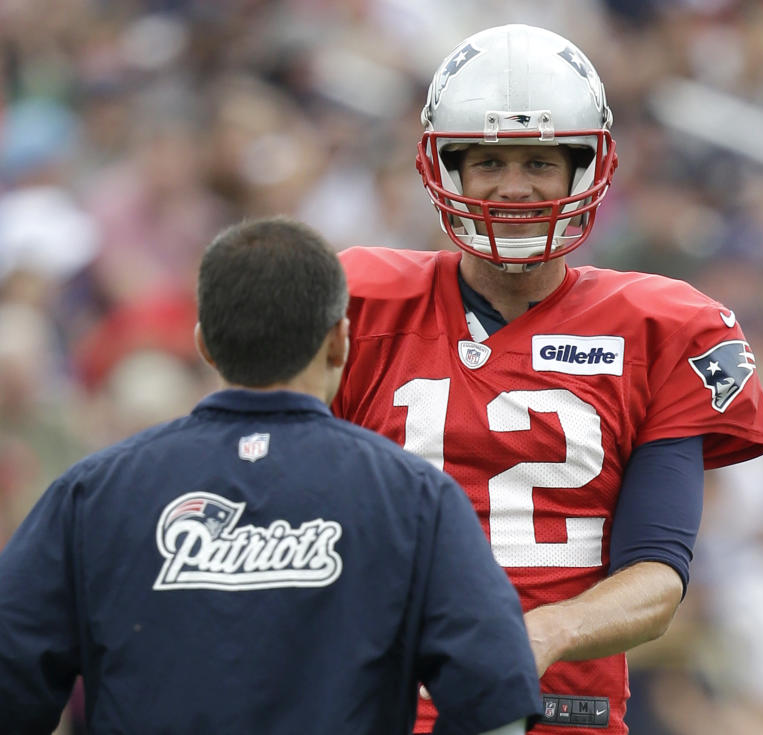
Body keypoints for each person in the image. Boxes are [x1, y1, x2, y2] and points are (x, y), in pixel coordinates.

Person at [331, 24, 763, 734]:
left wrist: (541, 634)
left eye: (539, 161)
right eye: (488, 161)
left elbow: (658, 577)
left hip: (563, 712)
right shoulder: (358, 301)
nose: (514, 187)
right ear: (446, 168)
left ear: (584, 168)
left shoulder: (663, 328)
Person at [0, 216, 542, 735]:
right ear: (338, 340)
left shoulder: (94, 492)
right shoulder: (413, 494)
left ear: (205, 345)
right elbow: (493, 696)